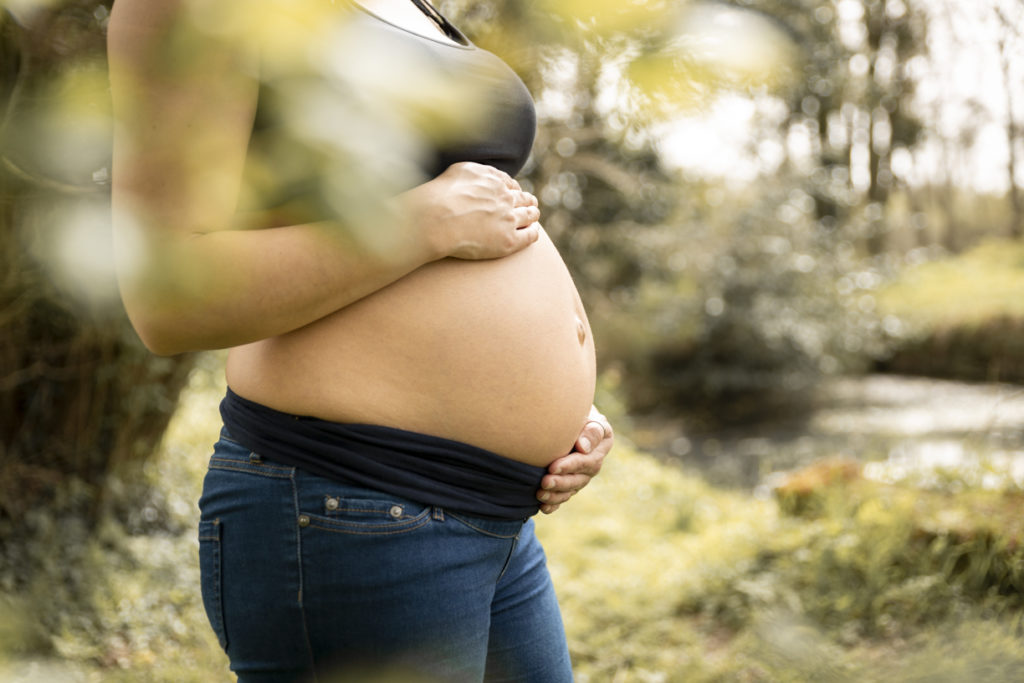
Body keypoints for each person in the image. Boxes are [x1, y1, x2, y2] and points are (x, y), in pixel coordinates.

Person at [107, 0, 613, 680]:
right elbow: (165, 297)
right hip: (355, 502)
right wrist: (422, 222)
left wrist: (557, 410)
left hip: (495, 517)